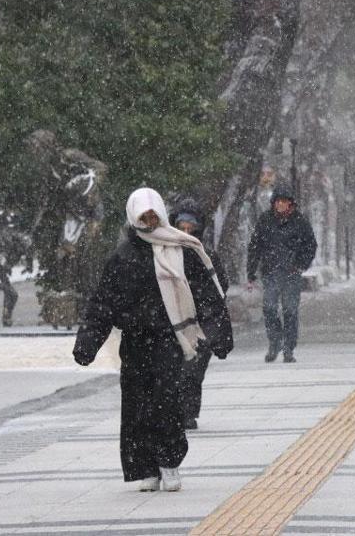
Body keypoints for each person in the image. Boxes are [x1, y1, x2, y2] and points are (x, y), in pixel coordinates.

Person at [73, 188, 233, 492]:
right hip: (135, 342)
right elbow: (103, 305)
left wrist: (219, 335)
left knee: (166, 402)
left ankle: (169, 462)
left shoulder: (181, 250)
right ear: (134, 218)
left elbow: (206, 296)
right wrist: (87, 345)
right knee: (136, 406)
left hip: (169, 340)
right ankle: (144, 467)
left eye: (153, 216)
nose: (149, 222)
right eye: (143, 217)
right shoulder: (122, 258)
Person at [169, 197, 229, 430]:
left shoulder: (207, 256)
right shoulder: (166, 255)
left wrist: (203, 305)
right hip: (174, 320)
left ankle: (188, 412)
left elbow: (220, 286)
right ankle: (174, 412)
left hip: (203, 322)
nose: (186, 232)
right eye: (181, 227)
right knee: (175, 368)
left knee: (193, 369)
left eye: (190, 227)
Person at [247, 182, 317, 363]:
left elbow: (310, 245)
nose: (280, 204)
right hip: (270, 272)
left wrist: (300, 264)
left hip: (291, 274)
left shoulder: (300, 221)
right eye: (277, 201)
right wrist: (251, 271)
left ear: (290, 203)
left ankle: (288, 348)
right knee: (269, 308)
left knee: (290, 311)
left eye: (284, 201)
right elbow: (255, 246)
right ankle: (275, 341)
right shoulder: (265, 220)